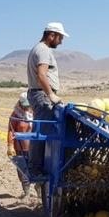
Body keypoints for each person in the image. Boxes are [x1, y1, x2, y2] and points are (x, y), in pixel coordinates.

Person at [27, 22, 68, 177]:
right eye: (60, 38)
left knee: (41, 131)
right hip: (42, 96)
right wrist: (51, 95)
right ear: (52, 35)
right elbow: (41, 75)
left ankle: (38, 165)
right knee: (41, 133)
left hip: (38, 94)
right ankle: (36, 169)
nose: (61, 41)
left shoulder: (38, 49)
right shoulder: (43, 51)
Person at [7, 92, 34, 198]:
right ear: (20, 103)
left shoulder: (33, 113)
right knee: (22, 169)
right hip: (20, 148)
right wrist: (10, 145)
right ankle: (26, 191)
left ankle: (39, 191)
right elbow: (10, 130)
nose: (27, 107)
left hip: (33, 148)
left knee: (36, 168)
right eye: (25, 105)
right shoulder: (15, 115)